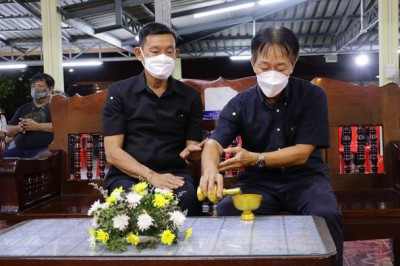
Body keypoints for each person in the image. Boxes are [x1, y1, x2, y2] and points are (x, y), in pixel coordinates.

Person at [199, 26, 343, 265]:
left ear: (293, 65)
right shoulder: (240, 103)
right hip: (259, 184)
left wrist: (255, 158)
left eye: (281, 67)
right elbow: (213, 143)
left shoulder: (312, 96)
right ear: (253, 63)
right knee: (226, 212)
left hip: (306, 181)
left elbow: (302, 153)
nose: (272, 74)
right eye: (265, 67)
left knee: (326, 214)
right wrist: (211, 170)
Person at [102, 22, 204, 216]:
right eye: (155, 51)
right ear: (140, 54)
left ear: (176, 54)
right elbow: (112, 152)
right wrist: (150, 176)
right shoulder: (120, 92)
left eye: (169, 51)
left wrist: (196, 151)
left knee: (187, 198)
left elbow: (192, 150)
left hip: (173, 174)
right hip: (128, 175)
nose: (163, 58)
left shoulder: (190, 96)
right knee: (128, 200)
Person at [1, 73, 54, 158]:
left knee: (36, 162)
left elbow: (62, 127)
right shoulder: (24, 108)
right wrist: (19, 127)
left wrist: (36, 126)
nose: (35, 89)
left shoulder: (55, 107)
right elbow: (8, 130)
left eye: (40, 86)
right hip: (19, 149)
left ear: (50, 89)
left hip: (44, 149)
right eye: (33, 86)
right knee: (3, 160)